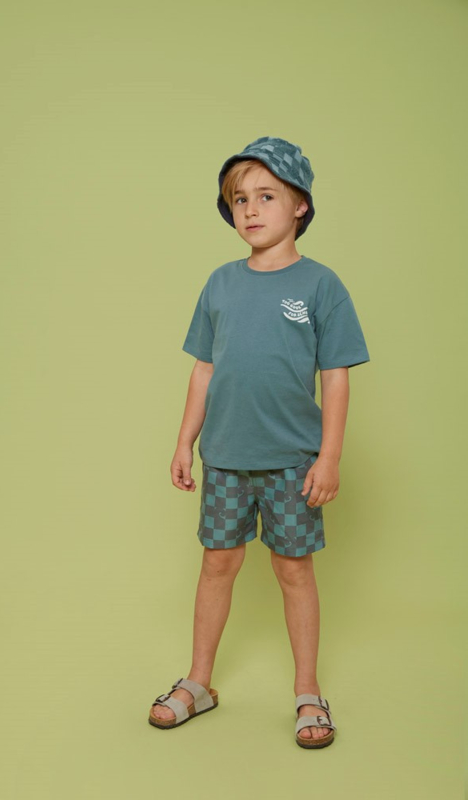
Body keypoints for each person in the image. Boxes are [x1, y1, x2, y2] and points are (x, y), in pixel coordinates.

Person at [147, 136, 370, 749]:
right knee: (217, 564)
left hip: (293, 463)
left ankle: (307, 691)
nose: (250, 209)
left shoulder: (321, 285)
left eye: (266, 196)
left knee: (294, 569)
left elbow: (336, 376)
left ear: (300, 205)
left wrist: (329, 456)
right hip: (224, 460)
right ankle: (198, 682)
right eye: (240, 199)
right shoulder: (220, 283)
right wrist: (184, 442)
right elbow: (203, 369)